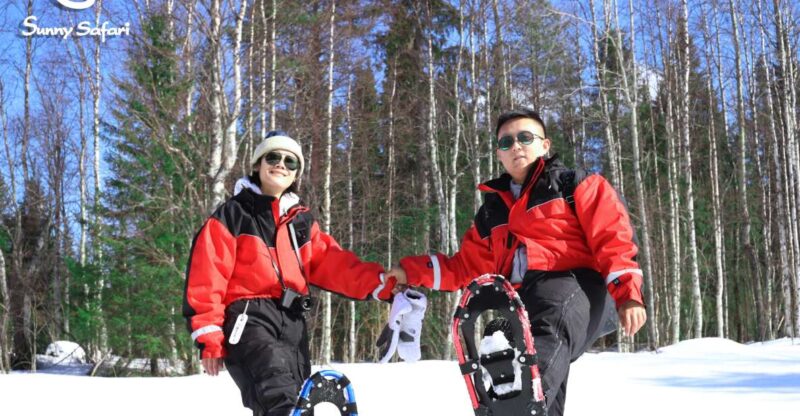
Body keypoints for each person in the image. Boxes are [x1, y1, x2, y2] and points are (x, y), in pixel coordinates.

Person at [387, 109, 647, 416]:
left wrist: (628, 294)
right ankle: (518, 405)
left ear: (545, 145)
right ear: (499, 153)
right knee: (507, 346)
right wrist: (410, 272)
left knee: (543, 334)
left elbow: (612, 238)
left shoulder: (574, 186)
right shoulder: (492, 212)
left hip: (575, 284)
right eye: (507, 142)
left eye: (525, 137)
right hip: (521, 301)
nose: (516, 147)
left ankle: (517, 407)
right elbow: (465, 267)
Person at [183, 130, 398, 416]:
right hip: (248, 319)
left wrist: (381, 284)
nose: (281, 164)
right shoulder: (231, 216)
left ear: (296, 173)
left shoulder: (300, 222)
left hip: (293, 320)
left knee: (298, 400)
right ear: (257, 164)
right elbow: (206, 276)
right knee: (277, 393)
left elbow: (335, 264)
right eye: (273, 157)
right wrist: (209, 335)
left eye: (290, 161)